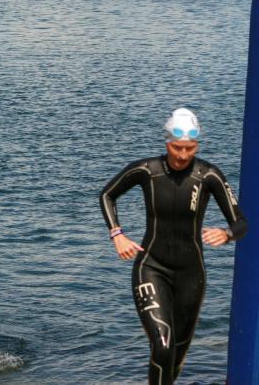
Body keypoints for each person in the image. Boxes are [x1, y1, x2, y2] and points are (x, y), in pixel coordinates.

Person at [99, 108, 248, 385]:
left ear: (197, 145)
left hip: (191, 275)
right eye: (177, 147)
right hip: (151, 267)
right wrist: (117, 234)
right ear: (167, 142)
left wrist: (227, 234)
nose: (182, 155)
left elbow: (241, 223)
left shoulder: (208, 175)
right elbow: (107, 194)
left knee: (176, 355)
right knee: (163, 344)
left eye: (190, 148)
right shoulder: (147, 170)